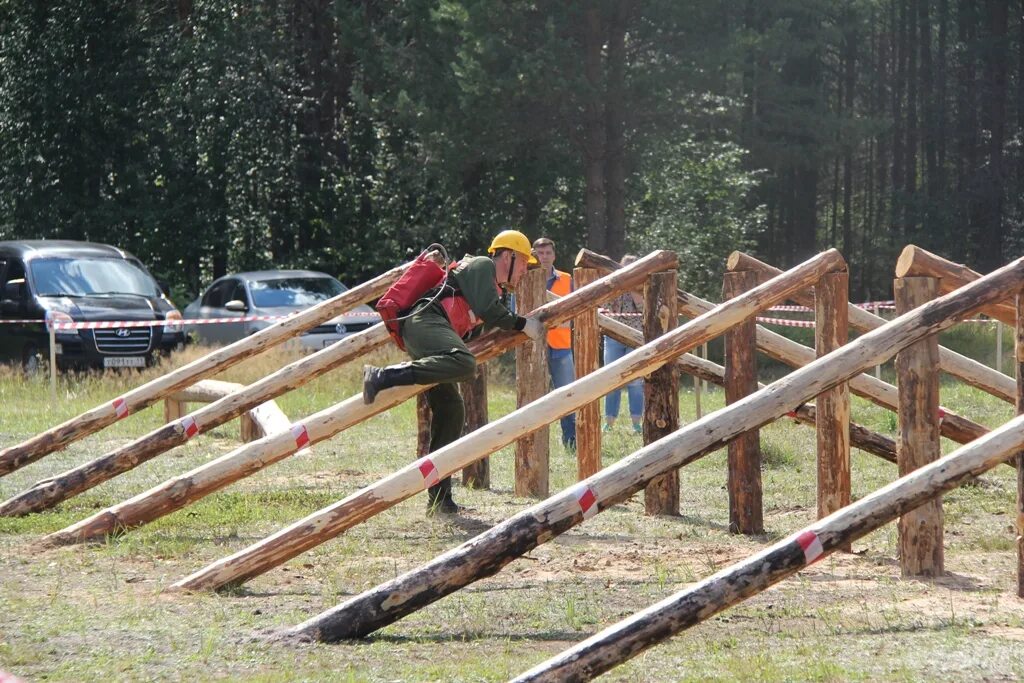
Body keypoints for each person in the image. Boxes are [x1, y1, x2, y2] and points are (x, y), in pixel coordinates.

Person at [362, 229, 544, 515]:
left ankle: (439, 499)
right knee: (464, 363)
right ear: (507, 256)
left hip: (433, 331)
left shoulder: (492, 287)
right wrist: (522, 324)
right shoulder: (483, 266)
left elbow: (475, 325)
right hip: (426, 322)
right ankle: (383, 377)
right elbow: (489, 311)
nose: (524, 271)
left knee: (452, 411)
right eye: (523, 263)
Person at [532, 237, 576, 450]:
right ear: (534, 255)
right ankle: (535, 442)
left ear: (554, 255)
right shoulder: (526, 278)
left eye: (548, 253)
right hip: (533, 348)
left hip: (561, 346)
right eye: (540, 253)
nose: (544, 257)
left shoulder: (567, 279)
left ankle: (571, 441)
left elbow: (576, 308)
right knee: (534, 398)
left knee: (566, 396)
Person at [602, 254, 644, 435]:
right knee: (611, 381)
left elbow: (644, 309)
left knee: (635, 382)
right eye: (625, 268)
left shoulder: (642, 286)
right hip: (613, 337)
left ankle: (636, 423)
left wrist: (634, 290)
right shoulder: (613, 286)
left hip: (636, 337)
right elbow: (604, 307)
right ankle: (609, 423)